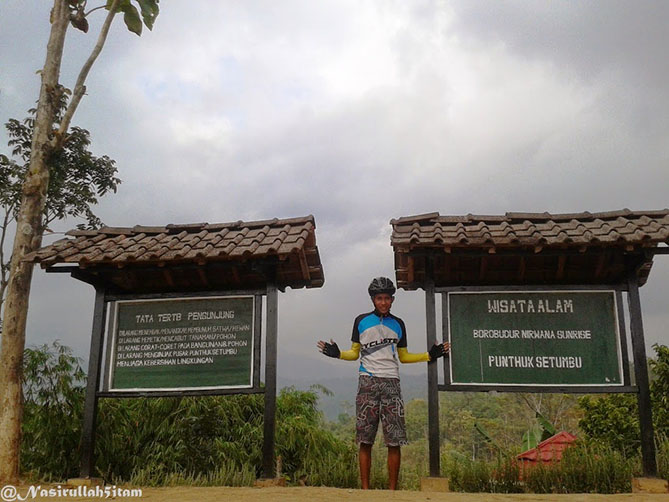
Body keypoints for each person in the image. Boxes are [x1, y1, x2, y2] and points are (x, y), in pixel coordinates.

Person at [317, 276, 450, 490]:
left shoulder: (398, 324)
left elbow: (404, 357)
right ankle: (365, 491)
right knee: (365, 439)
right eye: (379, 298)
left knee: (394, 440)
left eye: (387, 298)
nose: (383, 302)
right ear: (372, 299)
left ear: (392, 299)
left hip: (391, 383)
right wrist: (337, 353)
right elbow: (354, 354)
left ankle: (392, 492)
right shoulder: (361, 321)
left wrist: (430, 355)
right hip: (367, 381)